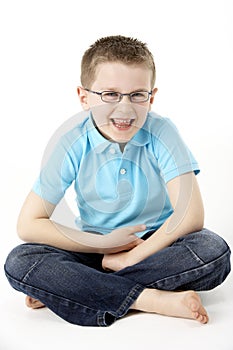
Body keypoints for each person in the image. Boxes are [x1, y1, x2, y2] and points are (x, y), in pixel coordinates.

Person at [4, 35, 231, 327]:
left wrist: (132, 257)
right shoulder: (71, 140)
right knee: (22, 261)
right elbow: (28, 224)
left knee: (213, 251)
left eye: (138, 95)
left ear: (152, 96)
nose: (125, 108)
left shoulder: (162, 132)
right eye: (110, 94)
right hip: (93, 248)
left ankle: (75, 291)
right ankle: (148, 299)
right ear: (84, 97)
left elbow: (191, 215)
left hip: (156, 245)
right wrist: (103, 247)